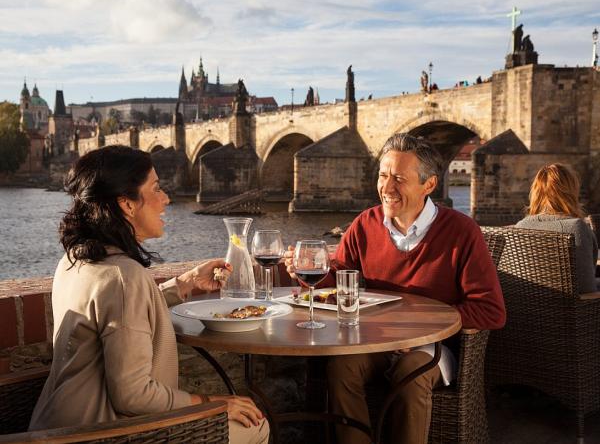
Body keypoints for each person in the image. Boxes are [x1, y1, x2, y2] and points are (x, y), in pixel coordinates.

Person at [28, 145, 269, 444]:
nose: (166, 198)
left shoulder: (74, 260)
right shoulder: (125, 277)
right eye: (156, 188)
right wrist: (215, 402)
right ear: (127, 204)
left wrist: (187, 282)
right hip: (103, 433)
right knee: (255, 425)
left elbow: (118, 307)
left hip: (56, 425)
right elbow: (133, 396)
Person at [284, 133, 505, 444]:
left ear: (429, 185)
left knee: (411, 374)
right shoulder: (364, 224)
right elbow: (333, 283)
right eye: (383, 175)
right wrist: (305, 271)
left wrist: (416, 330)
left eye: (399, 178)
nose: (386, 188)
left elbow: (491, 311)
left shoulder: (462, 231)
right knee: (341, 366)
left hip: (433, 347)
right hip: (377, 343)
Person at [515, 163, 598, 293]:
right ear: (570, 192)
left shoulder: (520, 227)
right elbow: (586, 288)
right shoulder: (576, 228)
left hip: (527, 309)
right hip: (573, 311)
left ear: (536, 193)